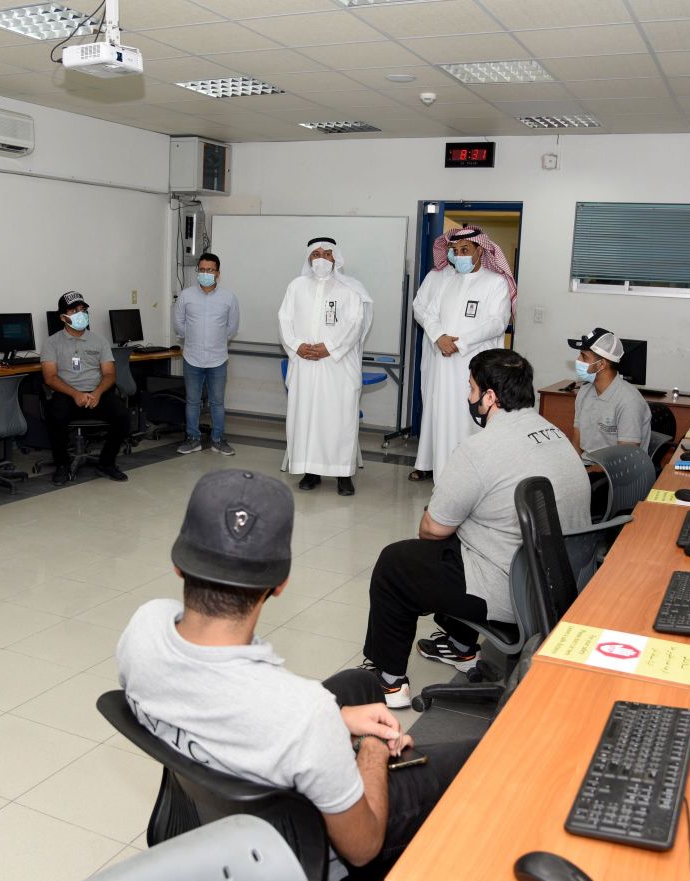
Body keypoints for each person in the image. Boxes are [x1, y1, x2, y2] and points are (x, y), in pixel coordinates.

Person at [117, 469, 477, 876]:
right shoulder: (305, 714)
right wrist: (372, 749)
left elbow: (220, 700)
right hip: (294, 850)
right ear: (281, 583)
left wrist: (336, 721)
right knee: (481, 758)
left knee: (360, 684)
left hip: (211, 814)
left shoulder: (145, 627)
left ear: (178, 565)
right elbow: (362, 847)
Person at [361, 349, 591, 708]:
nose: (469, 397)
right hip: (562, 584)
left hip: (515, 592)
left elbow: (432, 529)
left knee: (397, 562)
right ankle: (460, 646)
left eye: (471, 389)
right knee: (467, 542)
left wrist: (447, 516)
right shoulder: (555, 434)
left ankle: (389, 682)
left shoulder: (479, 449)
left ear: (490, 397)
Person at [410, 226, 515, 484]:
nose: (459, 255)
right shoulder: (448, 281)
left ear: (480, 250)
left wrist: (460, 343)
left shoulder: (495, 282)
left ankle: (471, 479)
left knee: (470, 418)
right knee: (444, 418)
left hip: (474, 365)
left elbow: (497, 322)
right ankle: (444, 477)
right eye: (455, 251)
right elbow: (429, 313)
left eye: (465, 249)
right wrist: (439, 337)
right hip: (444, 365)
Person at [278, 236, 369, 496]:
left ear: (335, 258)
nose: (321, 259)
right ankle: (310, 471)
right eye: (316, 254)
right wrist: (297, 346)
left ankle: (343, 475)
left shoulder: (350, 288)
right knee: (306, 419)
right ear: (309, 259)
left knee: (339, 420)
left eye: (326, 254)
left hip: (337, 366)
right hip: (304, 365)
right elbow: (284, 319)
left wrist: (329, 347)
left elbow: (355, 323)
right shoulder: (296, 286)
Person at [41, 290, 131, 485]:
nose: (80, 314)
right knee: (54, 415)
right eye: (74, 311)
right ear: (63, 317)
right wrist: (75, 394)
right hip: (67, 393)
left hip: (97, 392)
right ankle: (62, 465)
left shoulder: (99, 341)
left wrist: (97, 393)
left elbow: (109, 374)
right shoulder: (52, 343)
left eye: (82, 310)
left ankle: (106, 463)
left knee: (123, 416)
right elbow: (50, 378)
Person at [174, 252, 239, 456]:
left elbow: (232, 328)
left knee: (217, 402)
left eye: (210, 270)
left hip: (217, 359)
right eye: (202, 269)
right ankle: (193, 439)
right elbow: (179, 324)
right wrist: (194, 339)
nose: (205, 273)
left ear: (217, 273)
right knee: (192, 401)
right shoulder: (186, 296)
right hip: (191, 357)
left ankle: (218, 440)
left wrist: (215, 342)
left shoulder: (229, 298)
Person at [569, 327, 652, 455]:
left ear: (601, 364)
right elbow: (576, 444)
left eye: (584, 356)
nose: (578, 360)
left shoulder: (629, 401)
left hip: (614, 467)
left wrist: (588, 468)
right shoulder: (584, 392)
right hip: (586, 464)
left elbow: (626, 458)